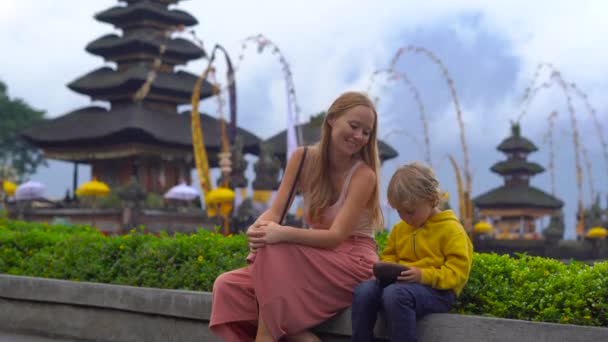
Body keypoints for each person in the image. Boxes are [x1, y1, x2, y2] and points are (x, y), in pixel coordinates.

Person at [209, 91, 384, 342]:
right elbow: (275, 212)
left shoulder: (364, 175)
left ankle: (267, 336)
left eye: (366, 133)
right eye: (354, 126)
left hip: (353, 263)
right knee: (227, 287)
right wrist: (258, 227)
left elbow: (336, 237)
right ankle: (297, 336)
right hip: (316, 258)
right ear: (332, 119)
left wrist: (279, 233)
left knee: (274, 248)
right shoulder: (302, 159)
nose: (358, 136)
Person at [351, 162, 473, 342]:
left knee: (395, 294)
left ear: (432, 199)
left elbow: (457, 273)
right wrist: (388, 268)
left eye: (410, 212)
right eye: (399, 212)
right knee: (364, 290)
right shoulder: (401, 229)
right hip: (402, 285)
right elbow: (390, 255)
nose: (404, 218)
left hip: (437, 292)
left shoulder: (452, 230)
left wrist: (422, 275)